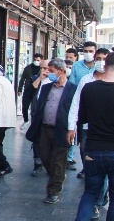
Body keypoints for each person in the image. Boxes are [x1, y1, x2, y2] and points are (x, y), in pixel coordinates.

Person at [73, 51, 114, 221]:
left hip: (93, 150)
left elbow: (82, 118)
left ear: (105, 65)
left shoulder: (89, 88)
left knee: (89, 193)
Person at [26, 58, 77, 204]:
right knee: (45, 157)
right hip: (45, 128)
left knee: (58, 161)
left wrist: (72, 129)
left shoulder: (72, 89)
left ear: (61, 71)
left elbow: (75, 111)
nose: (49, 73)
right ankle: (57, 176)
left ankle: (53, 191)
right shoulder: (47, 87)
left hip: (62, 130)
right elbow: (40, 105)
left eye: (52, 71)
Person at [69, 48, 109, 183]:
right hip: (86, 126)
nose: (101, 62)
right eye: (98, 59)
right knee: (85, 151)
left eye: (104, 59)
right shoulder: (86, 80)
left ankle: (101, 187)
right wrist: (71, 126)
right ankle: (89, 172)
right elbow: (76, 103)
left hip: (107, 128)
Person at [18, 53, 44, 130]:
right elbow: (22, 79)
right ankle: (26, 120)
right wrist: (19, 89)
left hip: (37, 90)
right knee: (25, 107)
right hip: (28, 90)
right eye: (35, 60)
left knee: (34, 108)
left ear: (41, 60)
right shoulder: (28, 68)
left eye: (38, 60)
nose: (36, 61)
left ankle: (33, 124)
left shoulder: (42, 69)